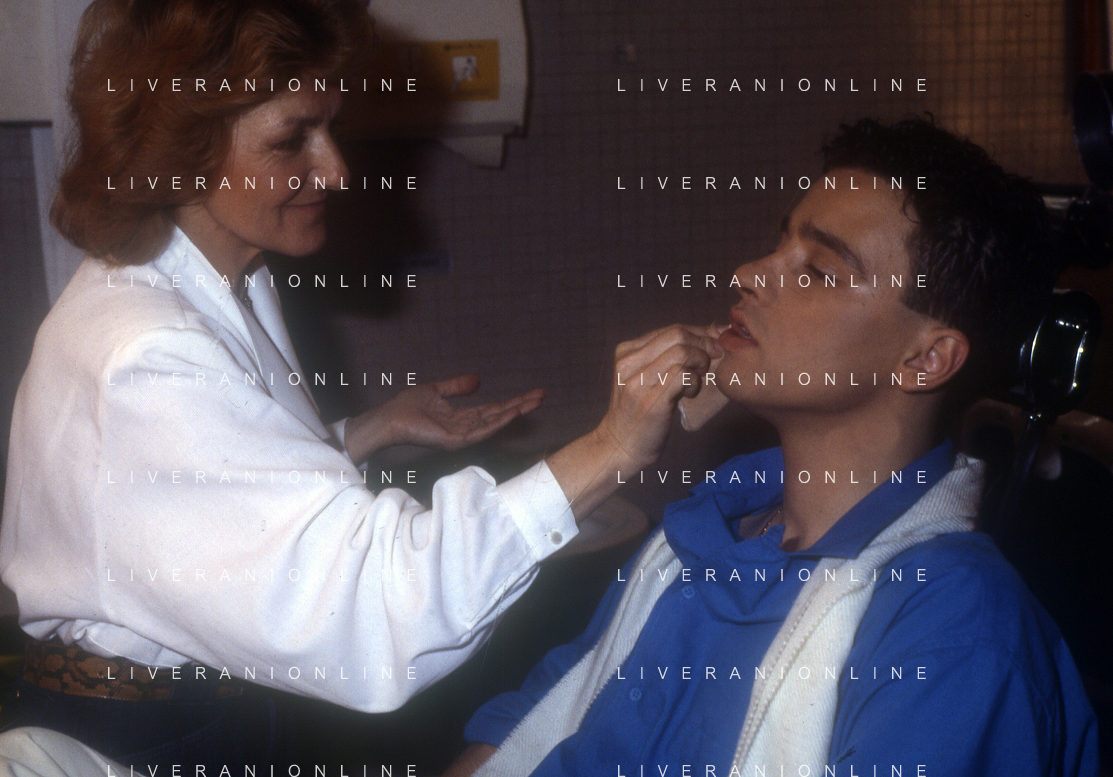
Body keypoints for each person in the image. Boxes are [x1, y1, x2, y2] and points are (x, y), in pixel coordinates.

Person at [0, 0, 720, 768]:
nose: (335, 170)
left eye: (330, 128)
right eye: (290, 140)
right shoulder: (147, 350)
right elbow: (375, 609)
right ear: (181, 148)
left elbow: (197, 494)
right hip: (147, 739)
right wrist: (610, 447)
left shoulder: (214, 283)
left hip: (194, 712)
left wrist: (367, 430)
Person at [449, 118, 1100, 776]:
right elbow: (535, 721)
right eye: (778, 242)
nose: (748, 273)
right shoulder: (704, 530)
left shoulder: (953, 633)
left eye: (816, 268)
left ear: (925, 359)